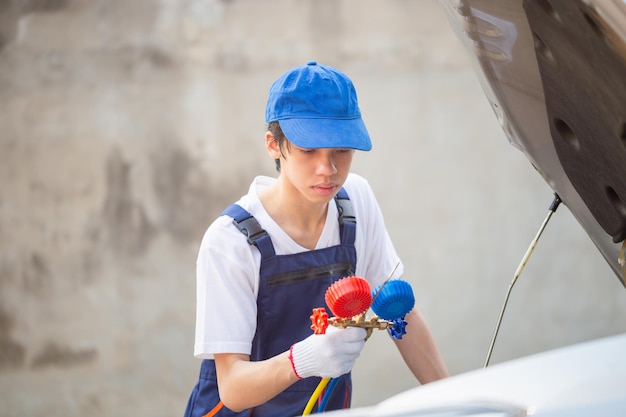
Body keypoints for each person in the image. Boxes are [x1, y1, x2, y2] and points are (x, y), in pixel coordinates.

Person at [184, 61, 448, 417]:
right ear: (274, 145)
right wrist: (302, 360)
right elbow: (232, 387)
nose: (329, 170)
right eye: (309, 150)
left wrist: (455, 400)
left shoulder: (355, 201)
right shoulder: (231, 242)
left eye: (341, 150)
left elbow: (400, 312)